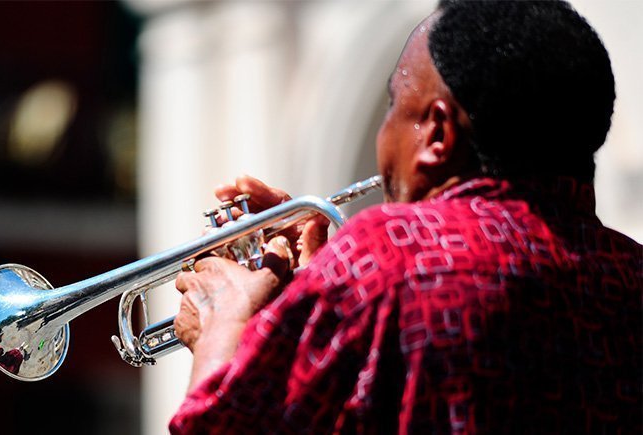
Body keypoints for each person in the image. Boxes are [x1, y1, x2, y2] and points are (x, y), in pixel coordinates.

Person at [170, 1, 642, 433]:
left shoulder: (388, 254)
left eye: (394, 103)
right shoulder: (632, 276)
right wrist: (320, 295)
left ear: (437, 133)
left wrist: (223, 325)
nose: (385, 128)